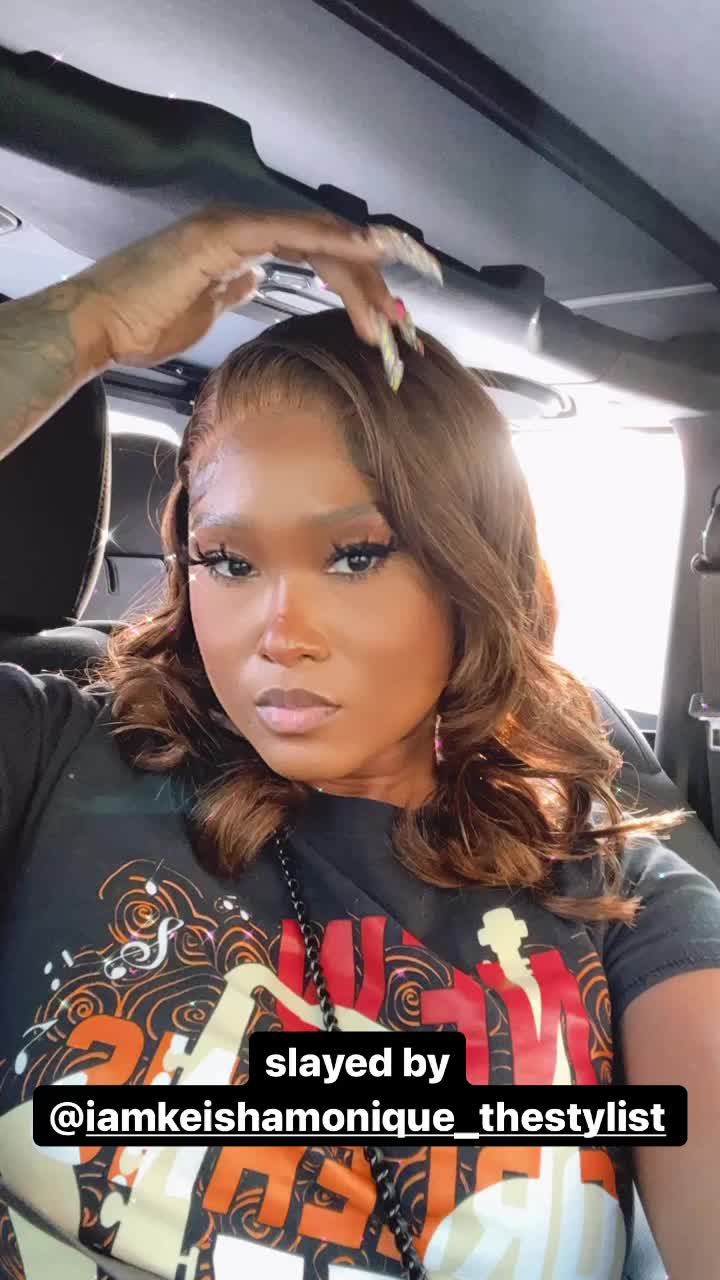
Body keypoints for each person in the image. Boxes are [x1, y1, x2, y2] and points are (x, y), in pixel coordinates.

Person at [0, 204, 719, 1280]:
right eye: (229, 562)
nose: (280, 632)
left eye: (355, 555)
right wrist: (87, 323)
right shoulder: (54, 758)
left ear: (475, 568)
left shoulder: (616, 897)